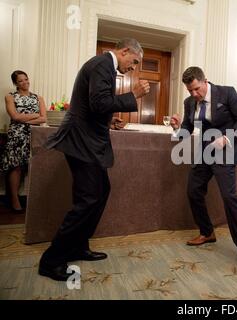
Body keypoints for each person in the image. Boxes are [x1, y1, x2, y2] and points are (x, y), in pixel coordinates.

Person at [38, 38, 150, 281]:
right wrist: (133, 95)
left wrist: (110, 120)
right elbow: (99, 103)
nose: (133, 67)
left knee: (99, 192)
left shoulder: (104, 66)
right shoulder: (102, 64)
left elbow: (95, 107)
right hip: (82, 142)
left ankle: (78, 246)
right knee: (88, 199)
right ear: (125, 51)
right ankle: (52, 260)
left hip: (87, 141)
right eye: (134, 61)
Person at [169, 66, 237, 272]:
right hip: (205, 150)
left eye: (197, 89)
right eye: (190, 91)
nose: (194, 94)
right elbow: (187, 131)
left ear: (205, 81)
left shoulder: (227, 93)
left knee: (228, 196)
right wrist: (176, 128)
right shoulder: (190, 103)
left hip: (226, 148)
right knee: (193, 190)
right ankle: (207, 232)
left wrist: (226, 138)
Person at [2, 70, 47, 211]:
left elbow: (44, 118)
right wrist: (35, 116)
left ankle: (33, 199)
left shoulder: (38, 98)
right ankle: (15, 201)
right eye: (20, 80)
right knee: (16, 167)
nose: (25, 82)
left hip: (33, 135)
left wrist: (25, 117)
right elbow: (14, 117)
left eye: (26, 79)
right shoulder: (10, 97)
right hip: (17, 135)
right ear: (15, 83)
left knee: (31, 167)